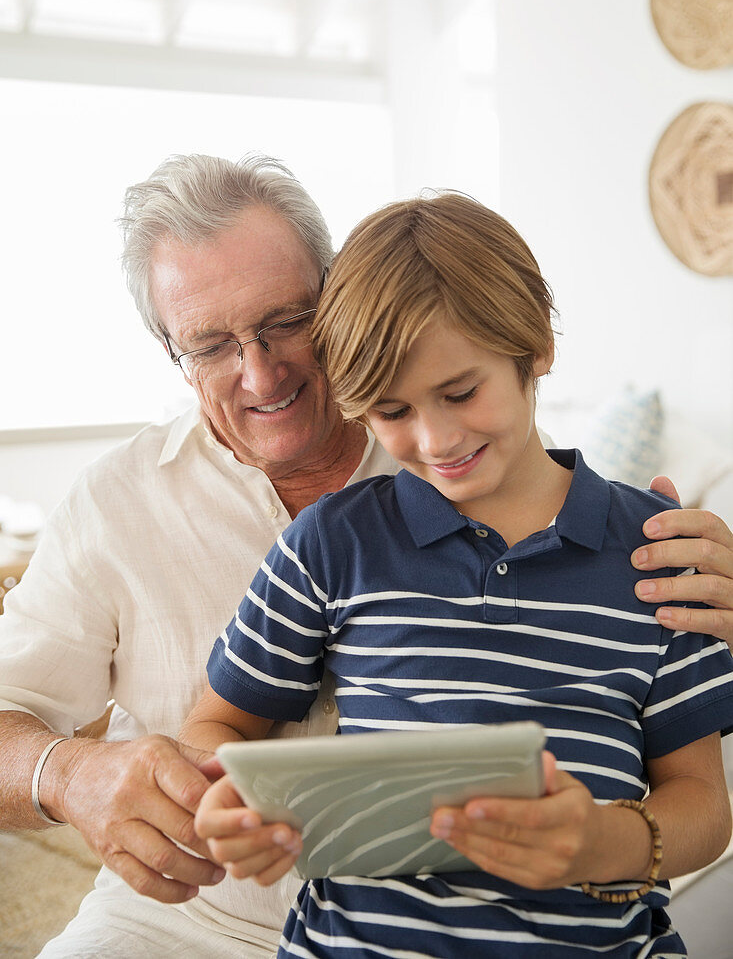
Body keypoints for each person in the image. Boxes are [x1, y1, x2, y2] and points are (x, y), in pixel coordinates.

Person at [0, 155, 731, 958]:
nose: (260, 370)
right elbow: (211, 725)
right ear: (169, 350)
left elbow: (692, 791)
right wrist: (77, 777)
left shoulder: (615, 530)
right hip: (199, 919)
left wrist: (604, 839)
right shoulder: (149, 507)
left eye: (285, 321)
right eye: (210, 344)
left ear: (334, 297)